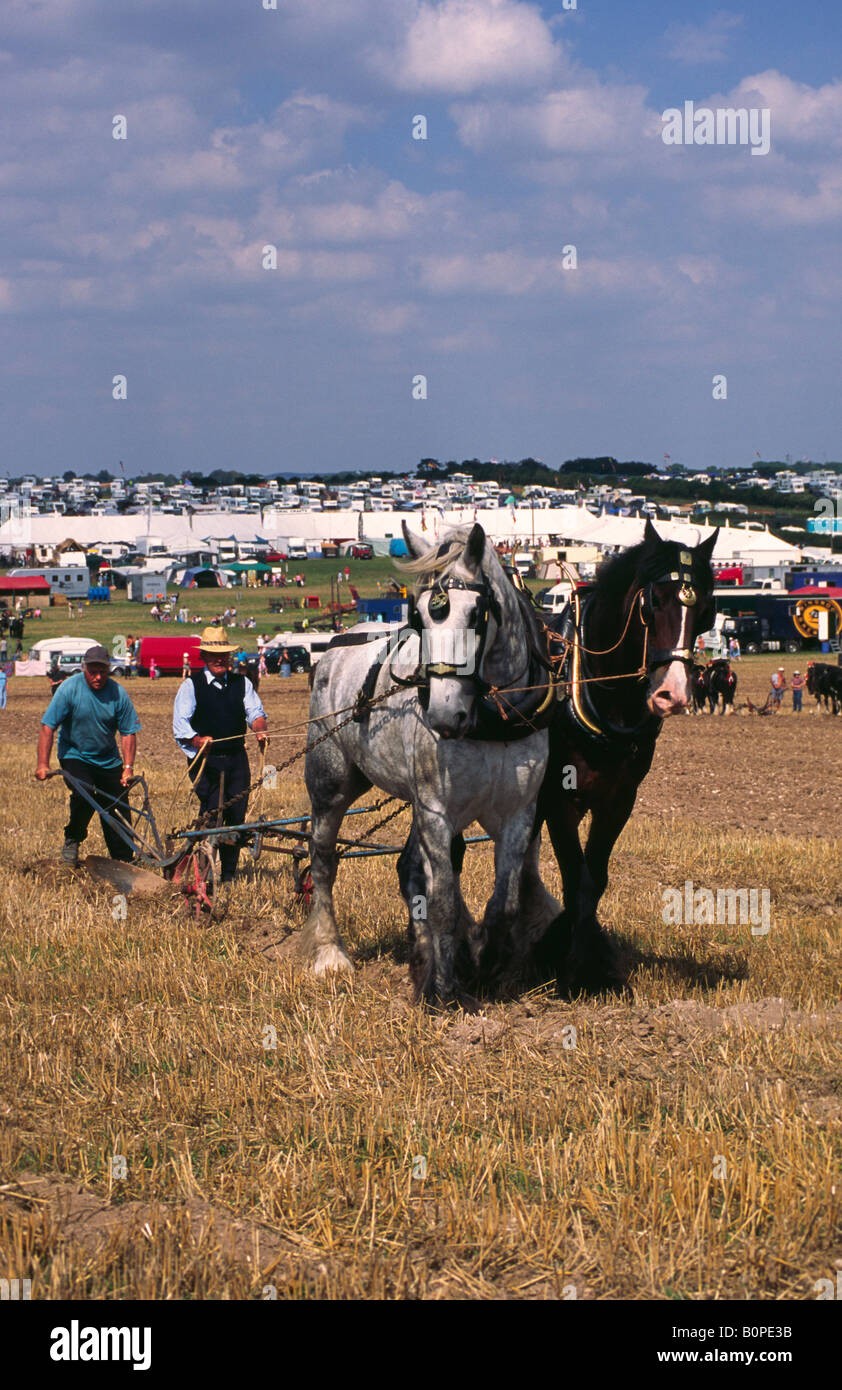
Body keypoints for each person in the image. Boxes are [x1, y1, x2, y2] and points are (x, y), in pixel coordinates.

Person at [172, 627, 268, 909]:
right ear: (203, 656)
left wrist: (260, 730)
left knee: (236, 815)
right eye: (213, 655)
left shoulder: (242, 683)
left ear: (229, 655)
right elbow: (181, 725)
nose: (219, 659)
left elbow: (256, 713)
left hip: (237, 757)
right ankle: (204, 867)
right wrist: (198, 740)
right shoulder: (192, 685)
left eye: (223, 654)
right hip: (205, 760)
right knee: (213, 812)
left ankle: (227, 874)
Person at [35, 644, 141, 865]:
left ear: (109, 669)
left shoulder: (117, 693)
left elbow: (128, 732)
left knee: (118, 805)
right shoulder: (69, 689)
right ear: (84, 668)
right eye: (93, 671)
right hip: (75, 754)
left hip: (108, 759)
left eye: (103, 671)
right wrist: (42, 764)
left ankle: (123, 861)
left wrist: (127, 768)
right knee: (84, 791)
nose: (98, 676)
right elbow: (48, 727)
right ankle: (73, 837)